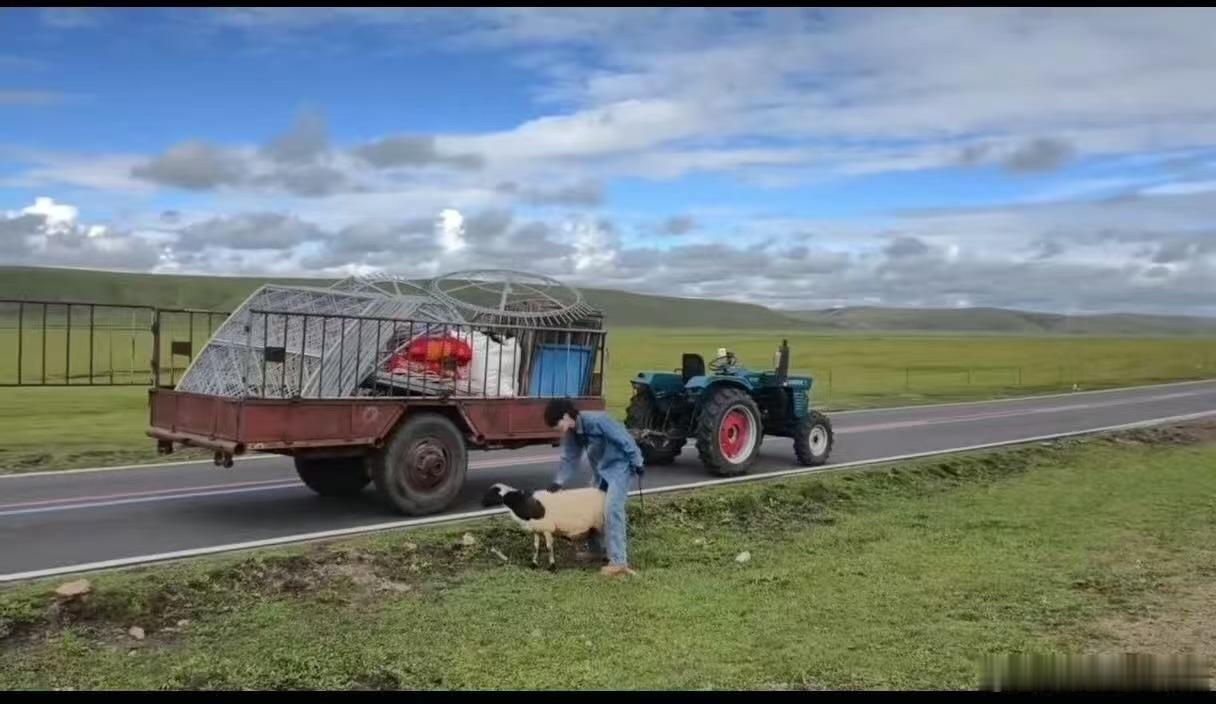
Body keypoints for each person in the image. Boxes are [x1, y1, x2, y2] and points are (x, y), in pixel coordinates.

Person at [544, 398, 644, 577]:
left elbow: (625, 439)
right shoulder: (573, 433)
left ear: (566, 416)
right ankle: (597, 550)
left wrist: (637, 462)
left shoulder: (598, 421)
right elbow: (570, 458)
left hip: (620, 467)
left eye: (557, 424)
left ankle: (618, 562)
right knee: (591, 507)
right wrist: (558, 482)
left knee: (612, 509)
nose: (557, 429)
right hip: (602, 470)